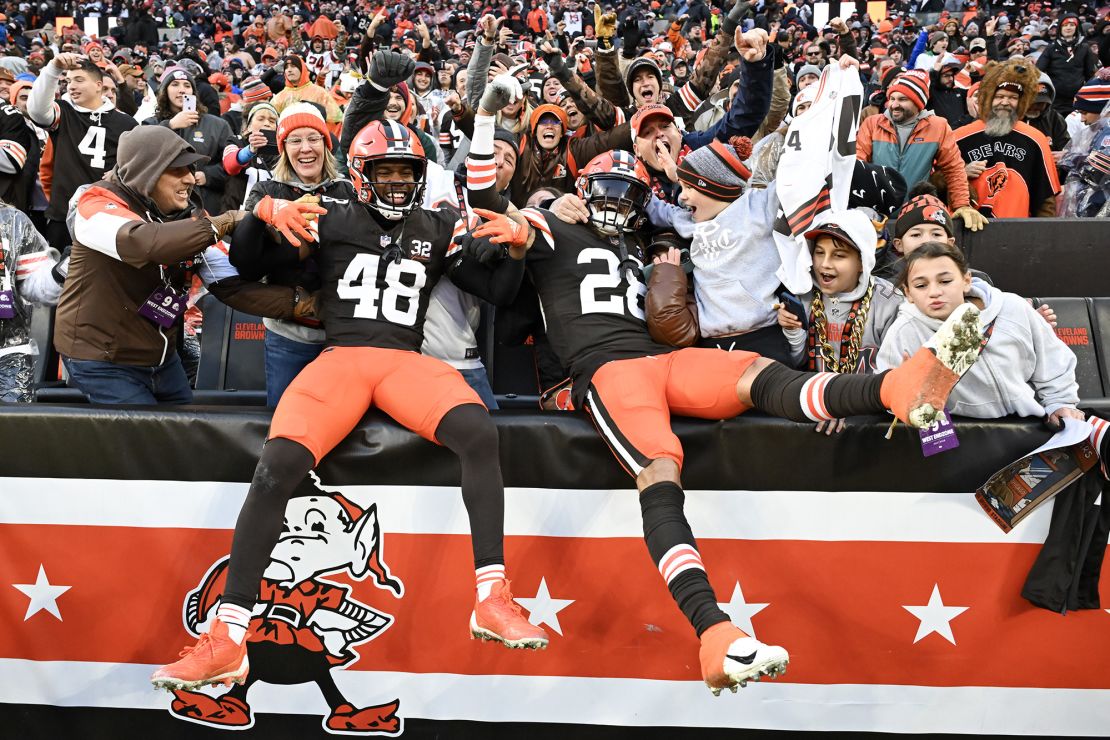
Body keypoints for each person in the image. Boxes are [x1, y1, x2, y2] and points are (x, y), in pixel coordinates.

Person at [510, 148, 990, 695]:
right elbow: (497, 215)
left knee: (755, 373)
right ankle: (713, 629)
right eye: (606, 191)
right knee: (660, 474)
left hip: (663, 359)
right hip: (606, 371)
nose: (616, 204)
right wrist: (535, 194)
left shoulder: (640, 241)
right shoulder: (554, 224)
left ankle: (896, 387)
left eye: (628, 193)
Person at [153, 115, 550, 692]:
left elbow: (493, 292)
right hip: (340, 358)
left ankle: (491, 596)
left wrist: (516, 251)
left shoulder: (437, 224)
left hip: (406, 362)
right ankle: (229, 636)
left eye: (404, 172)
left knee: (479, 433)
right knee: (277, 467)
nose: (395, 183)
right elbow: (250, 262)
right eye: (384, 171)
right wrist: (263, 211)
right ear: (360, 174)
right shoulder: (332, 214)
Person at [54, 126, 300, 405]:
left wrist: (301, 304)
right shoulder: (95, 203)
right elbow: (145, 242)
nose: (191, 178)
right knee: (147, 442)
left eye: (191, 169)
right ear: (146, 171)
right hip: (103, 360)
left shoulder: (190, 216)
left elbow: (230, 284)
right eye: (178, 170)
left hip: (161, 358)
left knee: (182, 435)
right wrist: (229, 219)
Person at [877, 241, 1081, 425]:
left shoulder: (1013, 307)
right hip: (959, 435)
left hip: (1027, 428)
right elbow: (887, 392)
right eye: (921, 285)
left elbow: (1054, 362)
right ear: (908, 293)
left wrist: (1060, 404)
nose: (934, 292)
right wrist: (903, 390)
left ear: (966, 280)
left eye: (945, 281)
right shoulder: (904, 331)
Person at [228, 103, 341, 407]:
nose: (305, 148)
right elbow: (245, 264)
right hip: (288, 333)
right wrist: (259, 214)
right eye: (295, 140)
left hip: (341, 335)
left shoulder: (348, 190)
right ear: (283, 147)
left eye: (314, 138)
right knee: (284, 417)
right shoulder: (266, 189)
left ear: (326, 144)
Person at [775, 209, 902, 431]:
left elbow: (896, 375)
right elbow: (795, 365)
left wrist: (843, 402)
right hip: (814, 411)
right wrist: (794, 333)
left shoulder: (890, 302)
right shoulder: (803, 296)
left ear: (862, 261)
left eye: (839, 255)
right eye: (819, 253)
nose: (824, 264)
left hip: (871, 418)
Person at [26, 53, 138, 253]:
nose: (71, 86)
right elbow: (36, 110)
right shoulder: (64, 112)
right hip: (62, 214)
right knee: (59, 277)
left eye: (79, 80)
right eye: (68, 81)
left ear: (98, 85)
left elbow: (137, 166)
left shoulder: (125, 123)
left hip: (106, 214)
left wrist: (119, 172)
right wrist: (53, 68)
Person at [856, 69, 983, 226]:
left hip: (916, 212)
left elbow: (954, 169)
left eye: (902, 99)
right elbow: (857, 166)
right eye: (892, 98)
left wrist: (961, 205)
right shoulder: (872, 123)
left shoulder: (938, 126)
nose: (894, 104)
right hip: (876, 214)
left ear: (918, 103)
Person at [954, 59, 1061, 218]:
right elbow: (936, 184)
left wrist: (1041, 237)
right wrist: (962, 173)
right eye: (999, 96)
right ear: (988, 99)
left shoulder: (1036, 139)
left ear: (1021, 102)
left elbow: (1045, 199)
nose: (1005, 102)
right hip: (967, 228)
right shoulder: (960, 136)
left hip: (1017, 231)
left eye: (1012, 97)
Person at [146, 65, 236, 215]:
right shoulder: (151, 124)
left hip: (206, 205)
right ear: (165, 91)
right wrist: (170, 125)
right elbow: (143, 156)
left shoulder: (217, 125)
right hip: (162, 206)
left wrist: (209, 175)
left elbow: (233, 162)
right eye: (175, 85)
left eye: (187, 85)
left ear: (193, 92)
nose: (181, 90)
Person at [0, 201, 63, 402]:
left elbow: (33, 286)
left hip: (8, 355)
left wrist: (61, 273)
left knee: (13, 430)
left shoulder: (11, 220)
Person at [220, 101, 279, 211]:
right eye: (261, 119)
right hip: (234, 215)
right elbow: (230, 165)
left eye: (272, 121)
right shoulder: (236, 141)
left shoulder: (281, 153)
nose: (267, 123)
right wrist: (250, 150)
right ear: (248, 126)